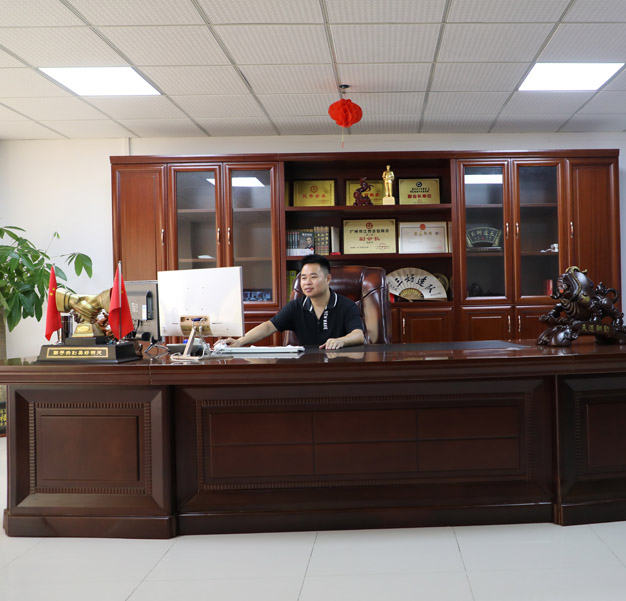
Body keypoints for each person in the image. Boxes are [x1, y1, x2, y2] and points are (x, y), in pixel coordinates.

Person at [221, 254, 365, 350]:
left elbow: (358, 335)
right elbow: (268, 326)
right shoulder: (296, 307)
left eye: (313, 277)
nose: (307, 282)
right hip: (305, 367)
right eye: (303, 278)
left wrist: (341, 340)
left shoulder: (346, 305)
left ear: (328, 279)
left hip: (338, 364)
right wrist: (239, 341)